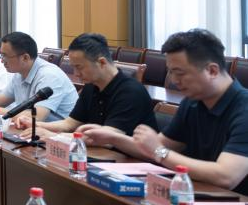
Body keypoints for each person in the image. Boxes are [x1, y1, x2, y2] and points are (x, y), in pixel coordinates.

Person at [85, 29, 248, 195]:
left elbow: (226, 177)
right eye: (170, 72)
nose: (174, 81)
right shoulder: (193, 102)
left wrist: (159, 152)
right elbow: (154, 148)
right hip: (196, 195)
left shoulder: (243, 108)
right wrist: (112, 137)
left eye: (179, 73)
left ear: (212, 71)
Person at [15, 32, 156, 143]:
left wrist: (53, 136)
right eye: (73, 67)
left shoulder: (130, 92)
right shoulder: (91, 86)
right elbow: (69, 124)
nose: (76, 74)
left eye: (79, 67)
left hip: (128, 162)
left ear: (102, 62)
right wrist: (36, 125)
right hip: (99, 155)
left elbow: (108, 138)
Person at [0, 32, 77, 121]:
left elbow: (37, 116)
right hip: (34, 129)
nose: (2, 61)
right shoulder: (19, 73)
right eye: (1, 55)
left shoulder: (49, 75)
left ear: (25, 58)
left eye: (5, 56)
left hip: (61, 135)